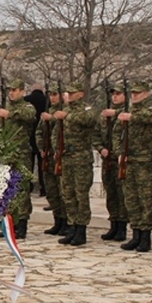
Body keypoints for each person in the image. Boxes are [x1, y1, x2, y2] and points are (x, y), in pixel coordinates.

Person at [53, 82, 101, 247]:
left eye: (73, 93)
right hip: (66, 158)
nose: (70, 95)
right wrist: (56, 149)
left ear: (81, 93)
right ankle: (72, 226)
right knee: (68, 194)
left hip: (81, 159)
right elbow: (57, 132)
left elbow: (89, 119)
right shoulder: (65, 110)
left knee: (81, 195)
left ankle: (81, 229)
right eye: (69, 93)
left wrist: (67, 116)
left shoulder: (86, 109)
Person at [117, 80, 152, 252]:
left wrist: (132, 117)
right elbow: (117, 134)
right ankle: (135, 233)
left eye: (138, 92)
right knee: (131, 199)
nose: (134, 95)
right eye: (133, 93)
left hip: (144, 161)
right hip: (129, 161)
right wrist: (120, 152)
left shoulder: (151, 109)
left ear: (146, 94)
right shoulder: (128, 111)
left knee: (144, 199)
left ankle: (145, 236)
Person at [0, 79, 37, 238]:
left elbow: (29, 116)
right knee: (7, 190)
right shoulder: (7, 108)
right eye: (10, 90)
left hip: (21, 155)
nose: (11, 93)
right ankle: (10, 224)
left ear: (22, 91)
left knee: (21, 189)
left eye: (14, 90)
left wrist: (10, 115)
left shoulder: (26, 107)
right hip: (7, 155)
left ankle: (22, 224)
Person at [99, 84, 129, 242]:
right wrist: (100, 148)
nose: (115, 97)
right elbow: (96, 134)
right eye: (113, 94)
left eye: (119, 93)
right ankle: (113, 224)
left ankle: (122, 226)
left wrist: (116, 113)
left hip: (121, 159)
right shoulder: (105, 115)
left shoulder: (128, 112)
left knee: (122, 194)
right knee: (111, 193)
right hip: (108, 159)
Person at [37, 87, 68, 236]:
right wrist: (41, 147)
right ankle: (57, 221)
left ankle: (66, 222)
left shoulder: (65, 112)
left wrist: (53, 119)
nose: (52, 97)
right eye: (50, 95)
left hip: (60, 157)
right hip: (48, 157)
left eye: (55, 94)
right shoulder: (47, 112)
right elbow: (38, 132)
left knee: (63, 191)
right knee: (52, 191)